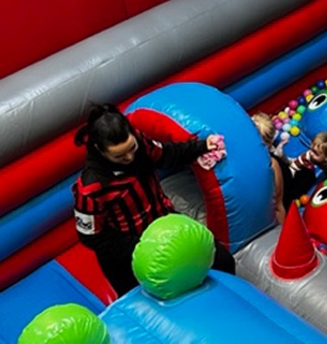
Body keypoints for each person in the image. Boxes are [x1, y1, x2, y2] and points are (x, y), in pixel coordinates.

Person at [72, 104, 236, 296]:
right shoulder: (91, 188)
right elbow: (92, 237)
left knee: (222, 261)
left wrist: (200, 146)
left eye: (131, 148)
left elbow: (166, 155)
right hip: (129, 254)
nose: (130, 156)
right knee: (149, 302)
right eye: (119, 156)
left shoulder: (140, 144)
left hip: (165, 224)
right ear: (100, 150)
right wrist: (143, 245)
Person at [251, 112, 315, 223]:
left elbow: (279, 205)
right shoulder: (271, 162)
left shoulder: (272, 163)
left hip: (288, 183)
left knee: (305, 174)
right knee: (303, 172)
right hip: (287, 180)